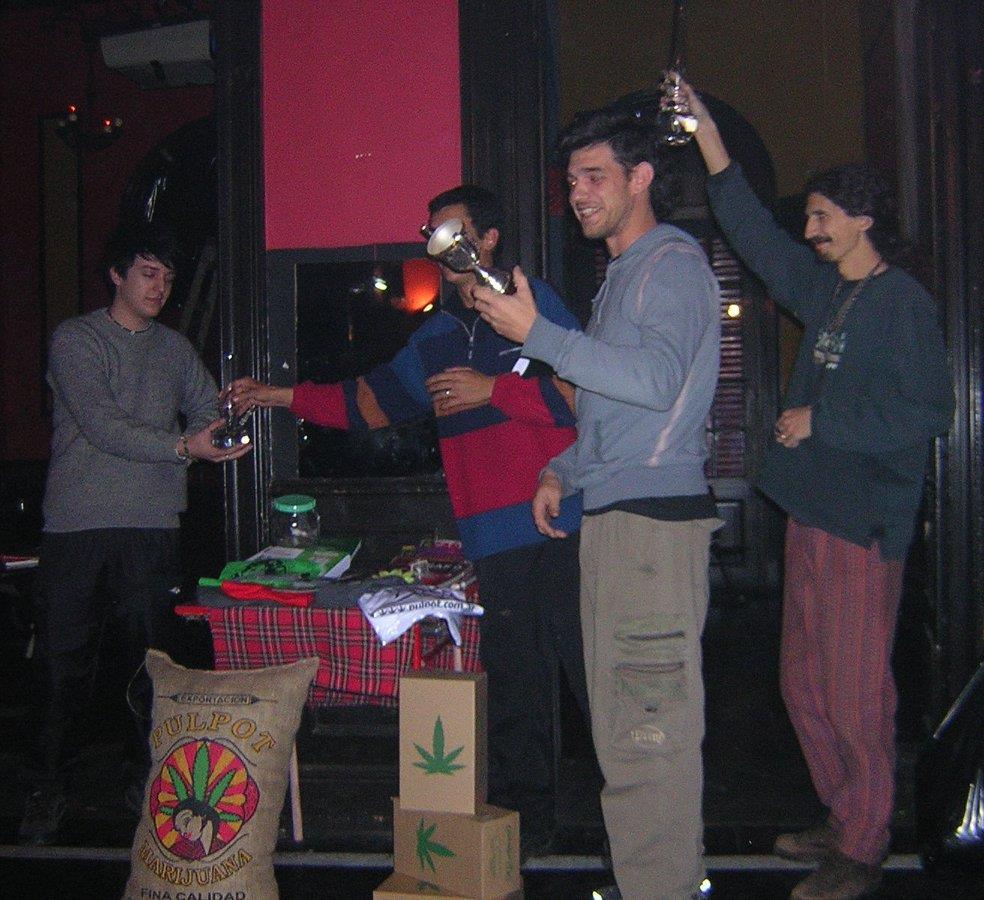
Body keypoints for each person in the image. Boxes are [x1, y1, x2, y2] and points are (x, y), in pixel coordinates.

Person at [224, 185, 589, 855]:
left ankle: (634, 821)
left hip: (564, 516)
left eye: (454, 232)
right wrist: (278, 395)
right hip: (494, 532)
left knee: (590, 672)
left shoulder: (532, 303)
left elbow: (586, 396)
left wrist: (494, 390)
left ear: (489, 238)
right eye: (433, 234)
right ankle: (528, 832)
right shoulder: (438, 334)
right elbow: (367, 404)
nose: (441, 246)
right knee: (517, 683)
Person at [681, 80, 953, 900]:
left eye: (823, 216)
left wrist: (821, 422)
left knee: (855, 692)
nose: (809, 230)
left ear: (863, 220)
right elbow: (754, 235)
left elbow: (928, 411)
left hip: (861, 524)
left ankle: (863, 848)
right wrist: (706, 133)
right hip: (812, 512)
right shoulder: (832, 290)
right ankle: (845, 817)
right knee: (803, 683)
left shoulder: (901, 303)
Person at [472, 110, 722, 900]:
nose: (578, 192)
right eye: (572, 178)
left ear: (640, 178)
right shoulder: (622, 278)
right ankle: (652, 880)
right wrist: (563, 470)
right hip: (619, 523)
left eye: (595, 176)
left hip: (653, 530)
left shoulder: (671, 264)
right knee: (622, 729)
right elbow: (615, 414)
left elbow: (656, 382)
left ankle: (661, 889)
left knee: (649, 731)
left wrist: (540, 335)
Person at [19, 223, 252, 846]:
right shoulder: (77, 339)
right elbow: (102, 424)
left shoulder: (174, 349)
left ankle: (144, 780)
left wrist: (225, 422)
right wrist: (184, 446)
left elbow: (207, 406)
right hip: (78, 524)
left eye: (168, 278)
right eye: (149, 273)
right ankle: (46, 785)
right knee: (61, 663)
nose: (160, 287)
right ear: (117, 275)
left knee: (149, 663)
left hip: (152, 525)